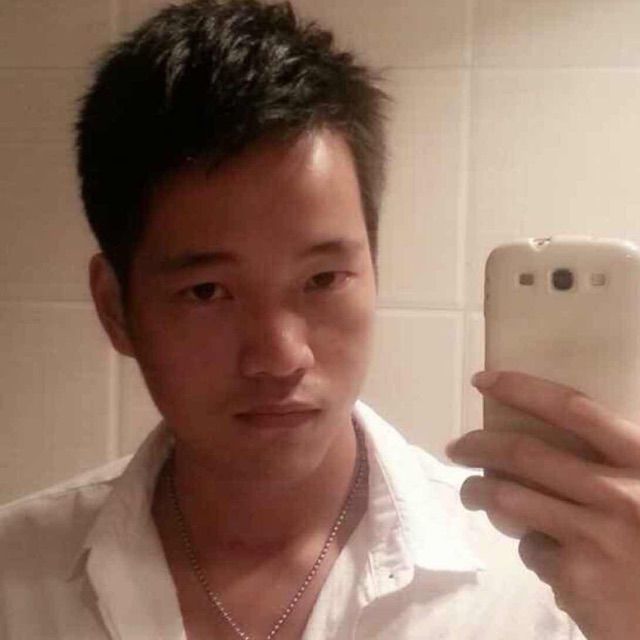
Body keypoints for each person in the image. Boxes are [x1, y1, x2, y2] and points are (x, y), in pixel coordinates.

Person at [0, 1, 588, 638]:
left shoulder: (541, 586)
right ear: (117, 309)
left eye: (323, 280)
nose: (281, 357)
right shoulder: (16, 580)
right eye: (207, 291)